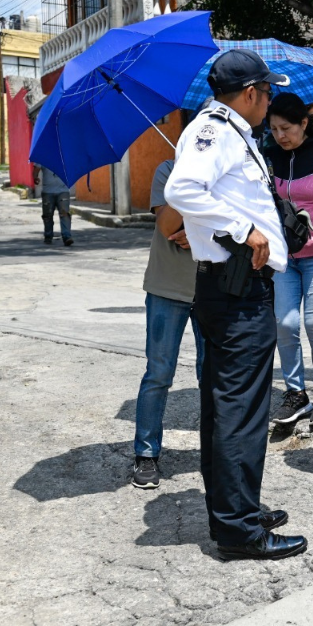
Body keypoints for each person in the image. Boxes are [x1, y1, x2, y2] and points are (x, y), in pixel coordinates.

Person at [164, 49, 306, 560]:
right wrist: (244, 229)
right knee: (239, 408)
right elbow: (182, 188)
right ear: (250, 93)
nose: (270, 102)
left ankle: (238, 505)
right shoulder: (216, 131)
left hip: (243, 286)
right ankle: (238, 529)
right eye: (267, 93)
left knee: (233, 404)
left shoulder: (232, 133)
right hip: (235, 288)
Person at [131, 159, 206, 489]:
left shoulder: (231, 170)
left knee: (214, 373)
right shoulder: (168, 170)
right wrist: (187, 179)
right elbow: (167, 225)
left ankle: (217, 451)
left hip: (214, 289)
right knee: (159, 372)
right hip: (166, 287)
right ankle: (146, 453)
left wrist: (203, 232)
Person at [262, 93, 313, 431]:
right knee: (286, 323)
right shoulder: (268, 157)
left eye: (286, 128)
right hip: (284, 256)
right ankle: (295, 393)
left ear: (305, 123)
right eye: (273, 129)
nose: (280, 135)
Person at [36, 163, 74, 246]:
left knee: (65, 214)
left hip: (63, 190)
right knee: (47, 215)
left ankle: (67, 236)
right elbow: (36, 169)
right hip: (48, 191)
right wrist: (35, 177)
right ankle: (48, 236)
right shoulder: (43, 155)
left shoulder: (65, 156)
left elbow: (73, 168)